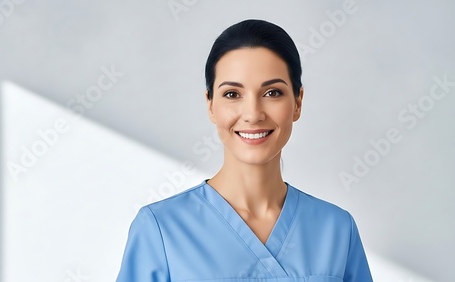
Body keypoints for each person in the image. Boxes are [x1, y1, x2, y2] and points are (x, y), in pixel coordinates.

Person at [116, 19, 373, 282]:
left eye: (272, 93)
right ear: (210, 104)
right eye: (232, 94)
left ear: (297, 102)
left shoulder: (337, 230)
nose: (252, 114)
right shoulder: (161, 228)